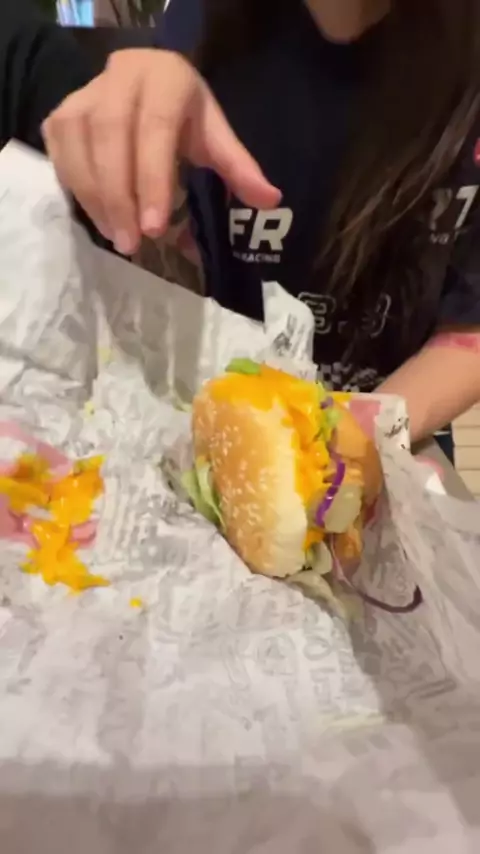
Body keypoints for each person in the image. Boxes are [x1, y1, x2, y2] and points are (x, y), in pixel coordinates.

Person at [3, 0, 480, 463]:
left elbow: (469, 324)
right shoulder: (200, 31)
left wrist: (352, 440)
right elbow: (177, 296)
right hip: (227, 426)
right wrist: (147, 189)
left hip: (405, 433)